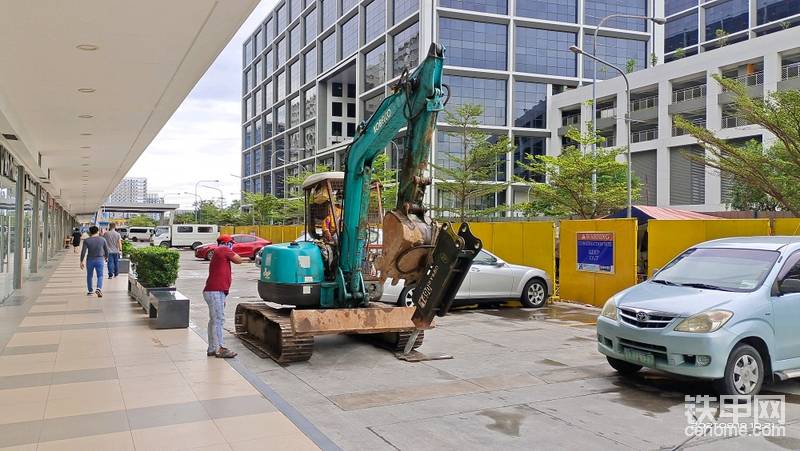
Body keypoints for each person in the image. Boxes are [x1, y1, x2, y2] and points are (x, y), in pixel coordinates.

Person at [203, 234, 242, 358]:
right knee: (218, 320)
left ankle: (212, 348)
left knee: (214, 320)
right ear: (227, 242)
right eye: (232, 243)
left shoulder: (218, 251)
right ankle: (220, 348)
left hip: (216, 291)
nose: (232, 246)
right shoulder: (223, 249)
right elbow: (238, 260)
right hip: (215, 291)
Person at [80, 225, 109, 297]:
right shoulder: (102, 239)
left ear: (90, 232)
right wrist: (106, 257)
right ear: (97, 231)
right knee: (100, 275)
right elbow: (106, 250)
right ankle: (99, 288)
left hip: (90, 259)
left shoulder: (87, 240)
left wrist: (81, 261)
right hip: (99, 259)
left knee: (89, 276)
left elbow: (83, 251)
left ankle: (90, 291)